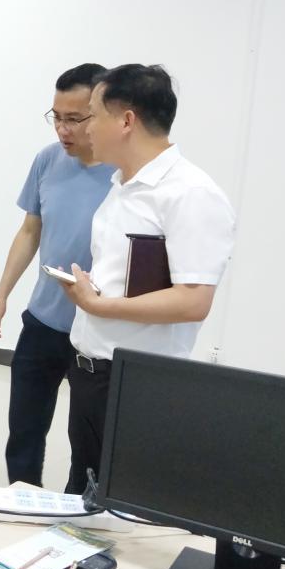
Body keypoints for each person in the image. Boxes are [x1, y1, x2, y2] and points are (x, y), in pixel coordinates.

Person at [61, 64, 236, 494]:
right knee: (85, 493)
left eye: (92, 116)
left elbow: (193, 300)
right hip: (90, 373)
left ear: (126, 121)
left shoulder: (190, 194)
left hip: (137, 385)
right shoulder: (121, 184)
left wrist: (99, 304)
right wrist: (95, 291)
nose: (85, 129)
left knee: (126, 504)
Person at [0, 63, 113, 487]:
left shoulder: (124, 175)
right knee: (24, 428)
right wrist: (1, 295)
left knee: (88, 446)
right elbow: (29, 231)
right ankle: (23, 501)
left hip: (95, 331)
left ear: (102, 112)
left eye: (74, 118)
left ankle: (78, 514)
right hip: (43, 321)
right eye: (56, 117)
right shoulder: (47, 160)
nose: (62, 129)